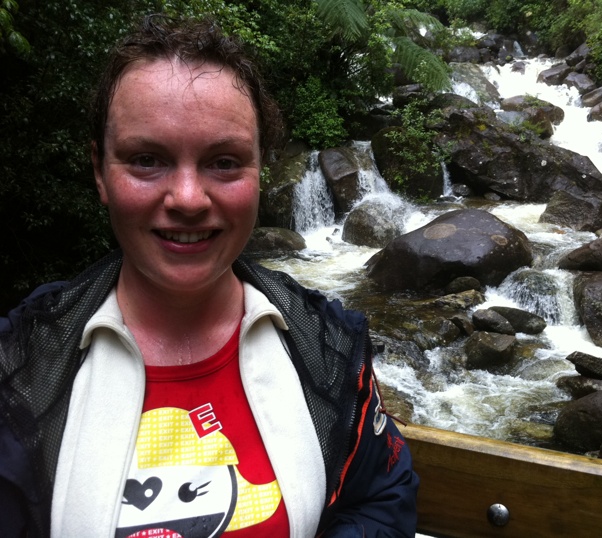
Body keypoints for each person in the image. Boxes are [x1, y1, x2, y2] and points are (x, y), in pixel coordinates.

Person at [0, 14, 418, 537]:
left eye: (223, 162)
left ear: (261, 171)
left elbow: (380, 497)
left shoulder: (329, 347)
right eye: (146, 159)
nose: (188, 199)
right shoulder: (18, 368)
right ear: (99, 171)